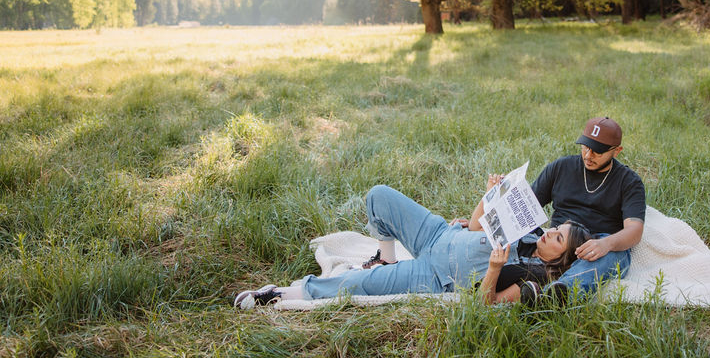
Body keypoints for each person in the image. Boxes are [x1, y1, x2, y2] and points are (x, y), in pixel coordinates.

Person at [233, 182, 591, 308]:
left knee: (360, 285)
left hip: (435, 274)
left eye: (557, 238)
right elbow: (474, 225)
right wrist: (490, 196)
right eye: (553, 228)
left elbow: (488, 304)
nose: (548, 233)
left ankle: (277, 295)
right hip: (439, 234)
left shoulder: (536, 280)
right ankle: (386, 260)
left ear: (562, 258)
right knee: (379, 196)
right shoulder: (528, 234)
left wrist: (496, 267)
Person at [526, 116, 646, 303]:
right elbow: (527, 207)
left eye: (598, 152)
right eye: (585, 147)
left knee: (615, 254)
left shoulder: (629, 182)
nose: (588, 156)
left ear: (617, 151)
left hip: (598, 245)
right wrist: (485, 220)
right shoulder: (562, 167)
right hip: (559, 243)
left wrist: (607, 244)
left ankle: (557, 296)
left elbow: (634, 230)